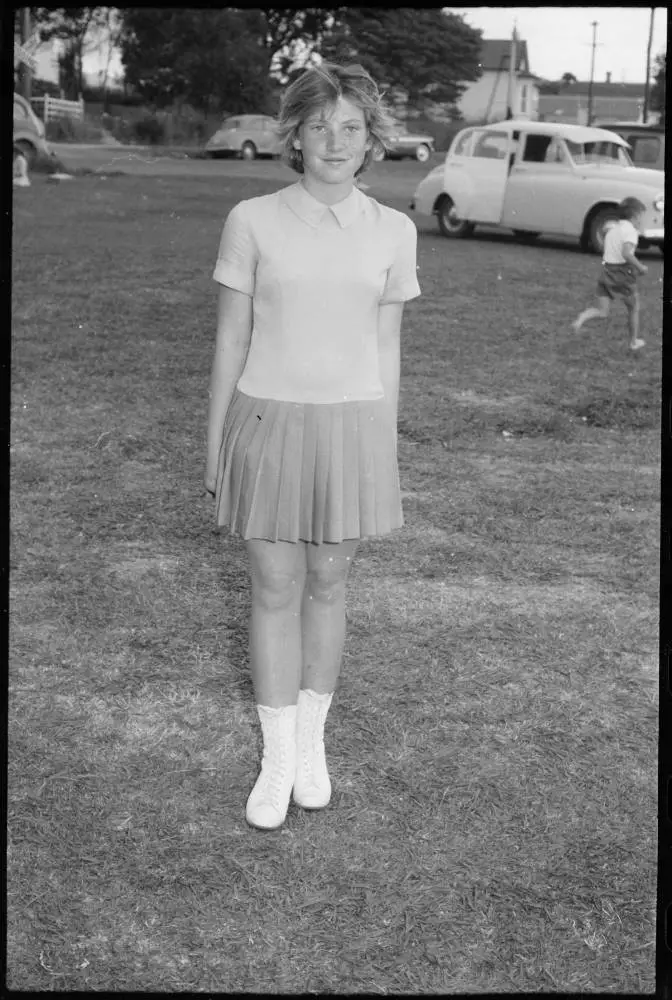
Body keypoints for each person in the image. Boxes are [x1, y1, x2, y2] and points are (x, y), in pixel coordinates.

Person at [205, 62, 421, 831]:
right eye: (320, 125)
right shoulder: (252, 219)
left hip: (352, 429)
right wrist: (213, 448)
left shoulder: (395, 231)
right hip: (266, 423)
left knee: (328, 586)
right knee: (272, 589)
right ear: (293, 134)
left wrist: (384, 450)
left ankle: (311, 751)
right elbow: (230, 341)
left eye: (352, 127)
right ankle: (274, 759)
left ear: (372, 142)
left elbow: (387, 348)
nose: (336, 140)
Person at [571, 196, 648, 350]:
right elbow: (626, 253)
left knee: (602, 311)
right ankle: (633, 341)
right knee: (633, 307)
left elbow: (609, 238)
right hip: (622, 273)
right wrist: (640, 267)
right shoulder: (630, 232)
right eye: (641, 218)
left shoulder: (613, 229)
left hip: (606, 272)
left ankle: (582, 318)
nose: (641, 221)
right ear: (635, 216)